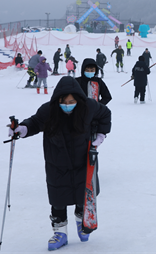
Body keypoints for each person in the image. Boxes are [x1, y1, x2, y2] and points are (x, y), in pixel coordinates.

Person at [9, 76, 111, 250]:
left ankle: (82, 221)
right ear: (57, 100)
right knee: (57, 199)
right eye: (64, 101)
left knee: (82, 194)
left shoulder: (88, 107)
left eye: (72, 101)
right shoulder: (49, 110)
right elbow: (34, 122)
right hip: (56, 162)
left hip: (82, 160)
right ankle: (60, 232)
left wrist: (101, 135)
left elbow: (105, 114)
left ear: (78, 99)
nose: (68, 104)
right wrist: (22, 129)